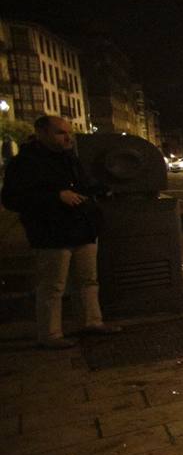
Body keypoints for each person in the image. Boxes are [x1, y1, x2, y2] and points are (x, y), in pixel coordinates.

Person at [0, 116, 121, 349]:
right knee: (53, 285)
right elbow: (12, 199)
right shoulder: (25, 162)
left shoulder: (69, 158)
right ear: (41, 133)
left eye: (68, 132)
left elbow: (83, 185)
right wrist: (56, 196)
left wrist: (102, 189)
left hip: (82, 228)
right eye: (60, 133)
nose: (67, 137)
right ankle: (50, 334)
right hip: (51, 232)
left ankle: (91, 322)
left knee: (87, 280)